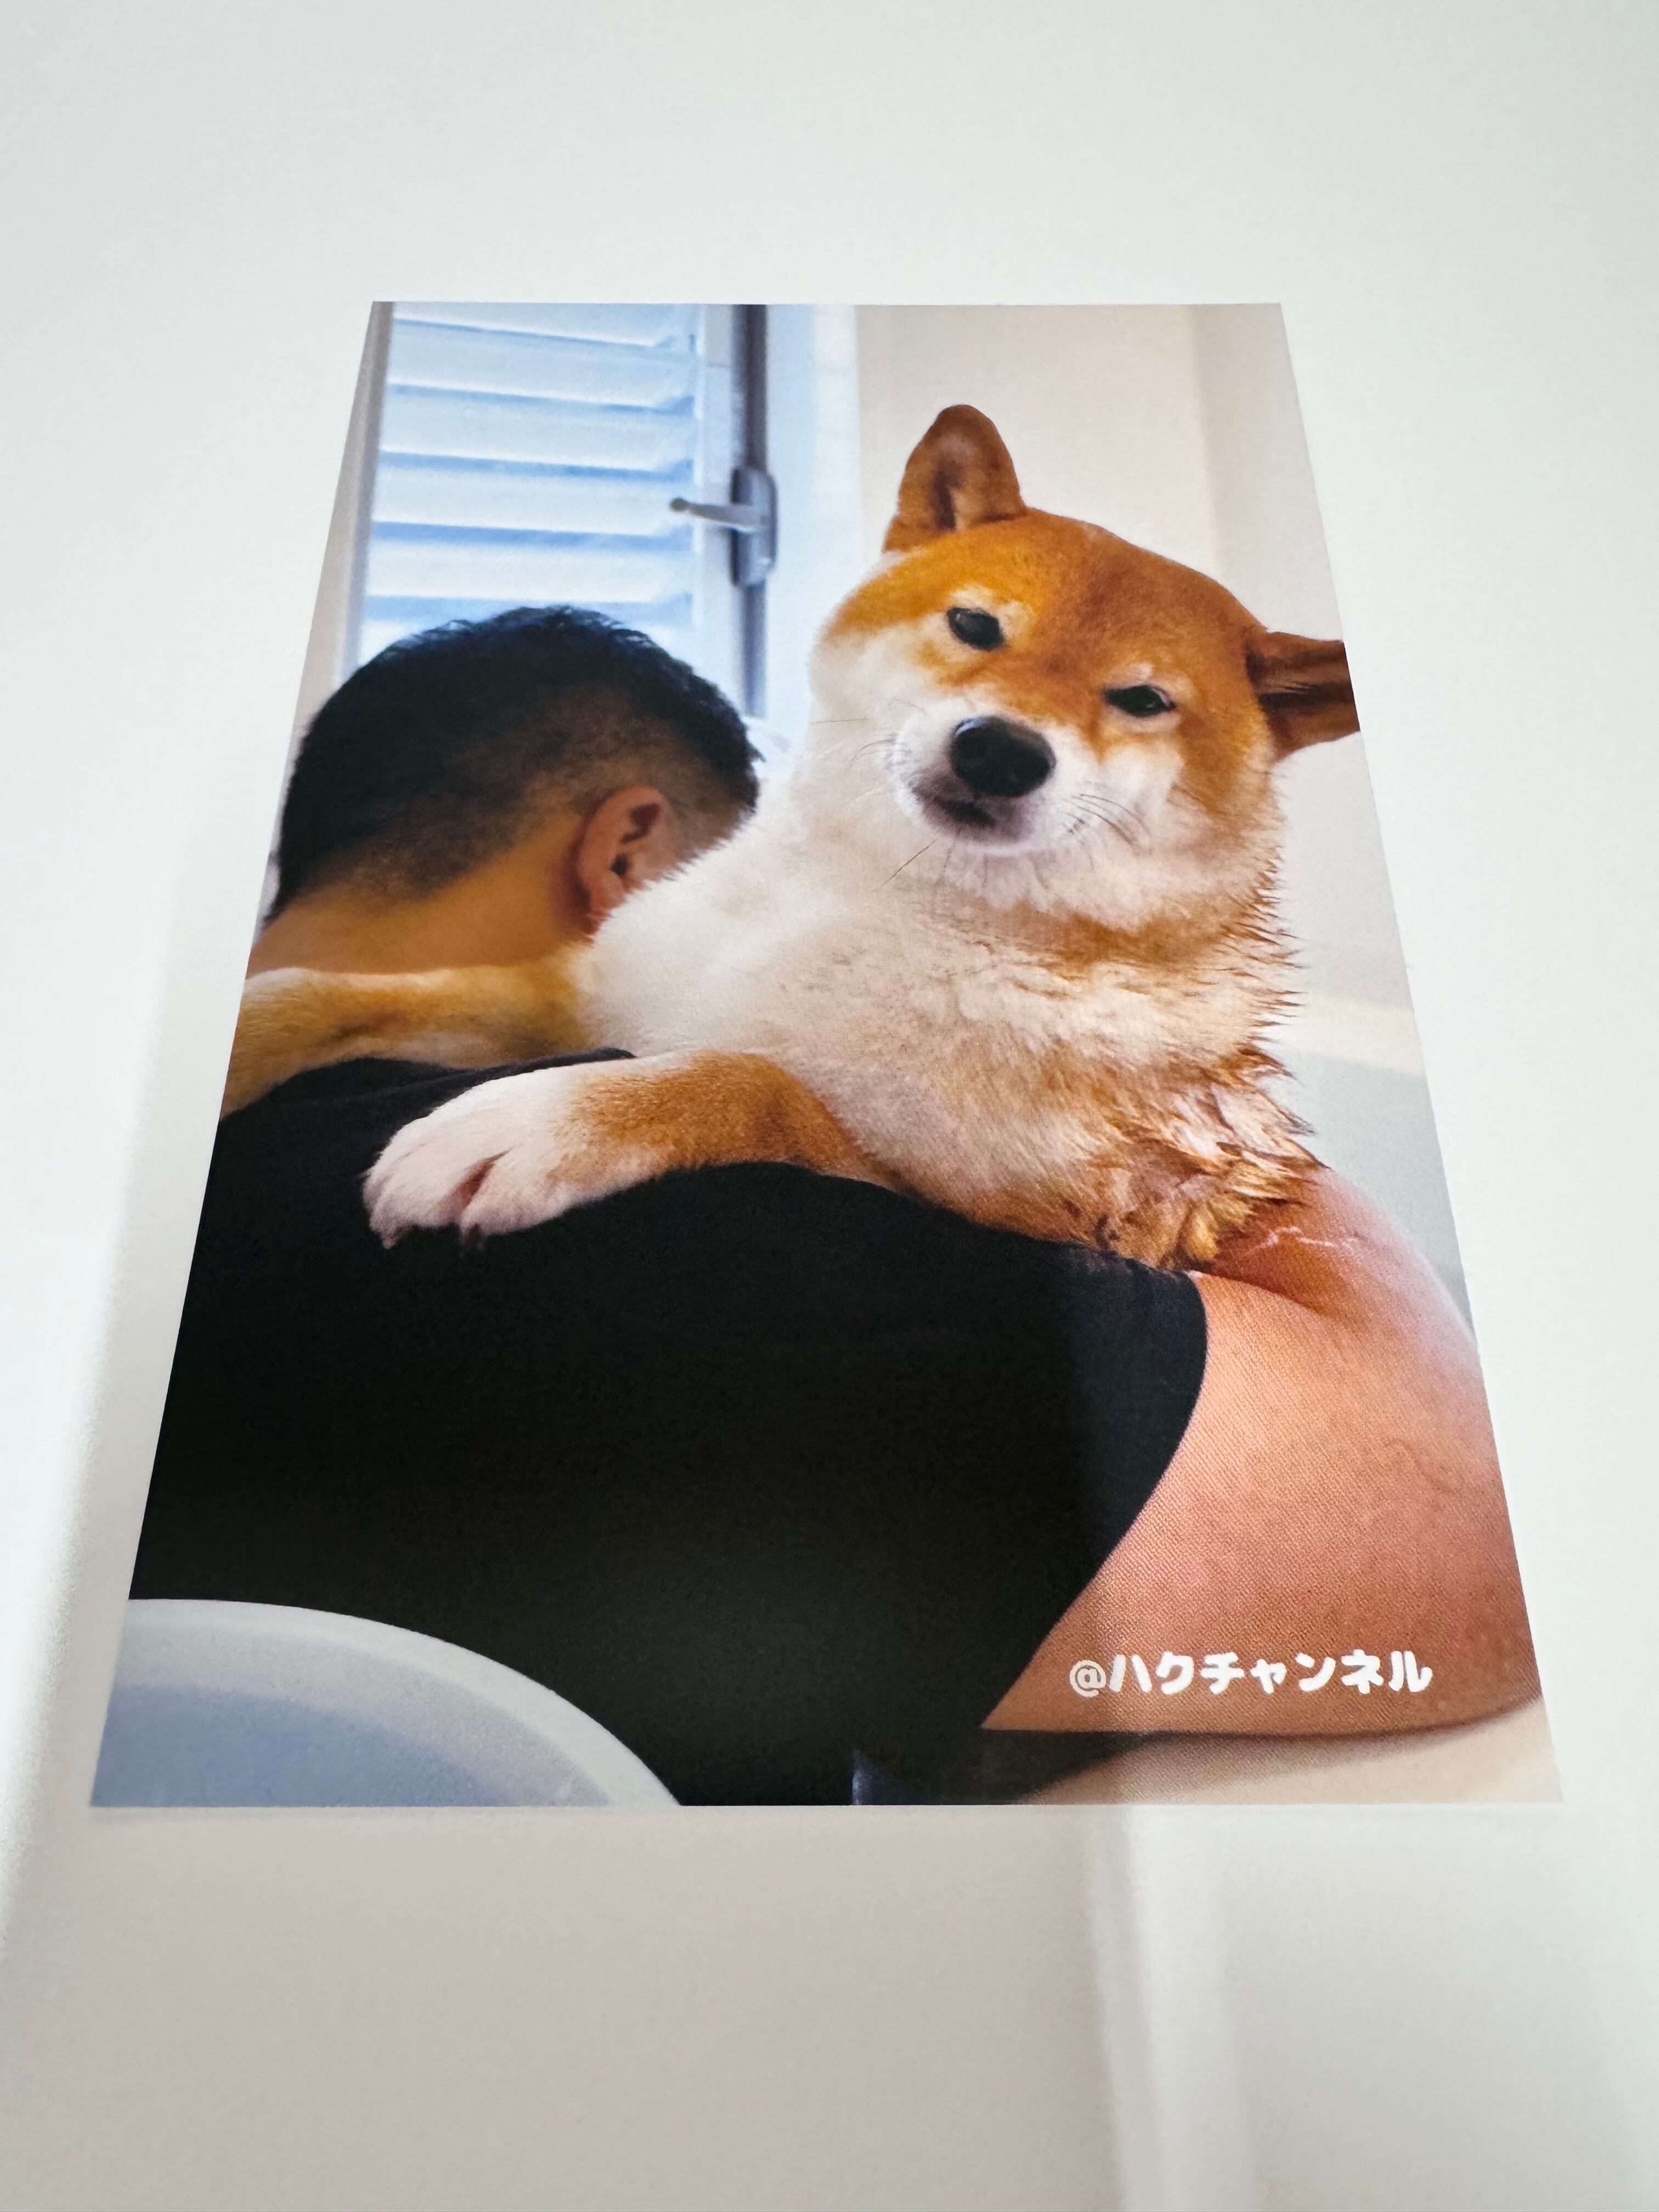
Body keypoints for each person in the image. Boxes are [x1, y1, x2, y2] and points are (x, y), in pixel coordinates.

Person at [131, 607, 1539, 1805]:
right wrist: (1147, 1025)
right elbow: (1472, 1557)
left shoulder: (145, 1192)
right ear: (632, 860)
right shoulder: (643, 1232)